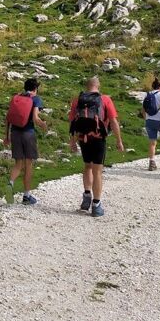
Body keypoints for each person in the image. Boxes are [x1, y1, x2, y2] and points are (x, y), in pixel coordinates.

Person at [68, 76, 125, 217]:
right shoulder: (105, 99)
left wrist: (72, 141)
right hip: (99, 139)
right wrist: (119, 140)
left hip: (83, 138)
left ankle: (86, 196)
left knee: (87, 166)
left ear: (87, 85)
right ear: (98, 85)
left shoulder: (78, 100)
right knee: (97, 171)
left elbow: (73, 122)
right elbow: (113, 121)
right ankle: (96, 205)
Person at [3, 77, 47, 204]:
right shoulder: (35, 99)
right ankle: (26, 196)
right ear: (35, 89)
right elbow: (35, 118)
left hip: (15, 134)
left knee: (18, 164)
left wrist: (6, 137)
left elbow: (8, 119)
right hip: (28, 134)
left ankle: (10, 184)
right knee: (28, 165)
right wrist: (43, 124)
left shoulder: (16, 98)